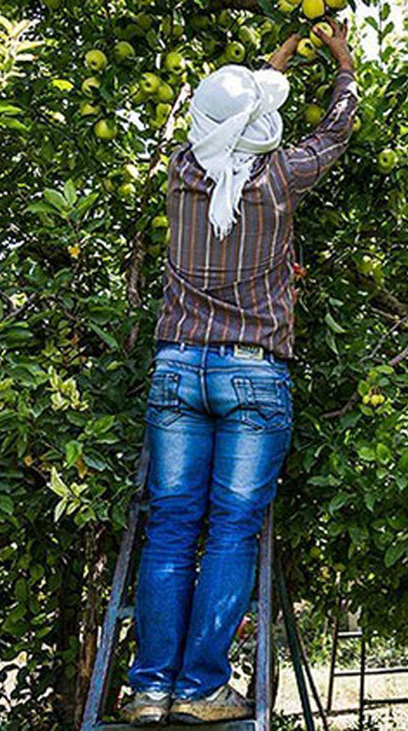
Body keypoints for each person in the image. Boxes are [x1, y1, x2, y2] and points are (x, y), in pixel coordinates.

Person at [121, 19, 358, 726]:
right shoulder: (279, 175)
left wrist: (269, 63)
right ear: (261, 123)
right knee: (230, 529)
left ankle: (149, 687)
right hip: (252, 375)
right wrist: (341, 63)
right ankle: (200, 688)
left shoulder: (181, 169)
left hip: (176, 370)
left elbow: (226, 117)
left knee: (169, 527)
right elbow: (336, 131)